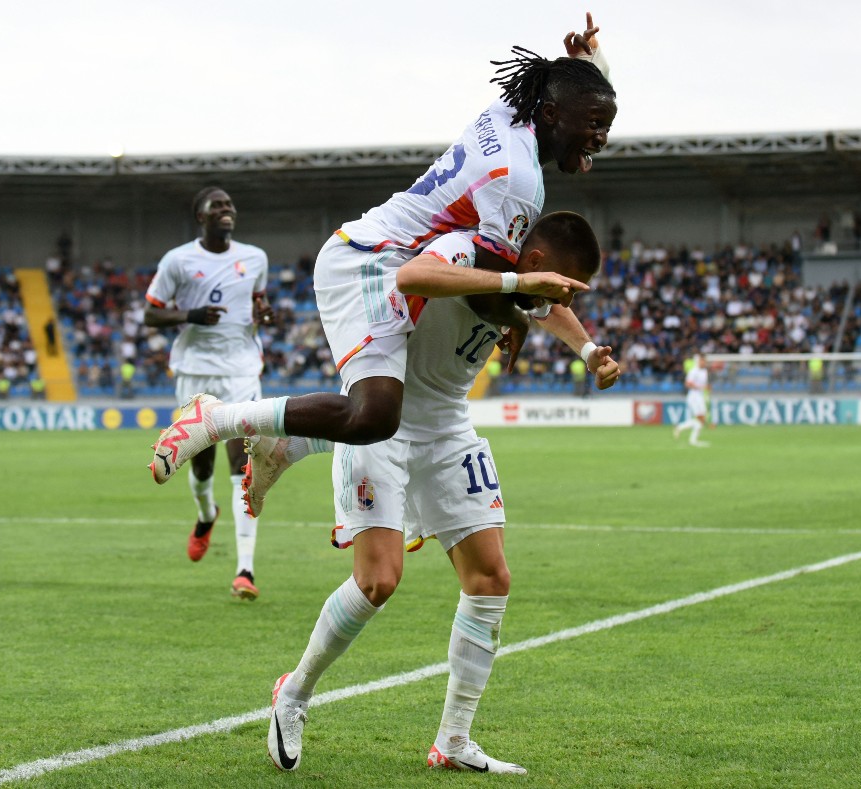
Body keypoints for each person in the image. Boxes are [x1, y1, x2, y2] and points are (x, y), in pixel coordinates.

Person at [148, 14, 616, 491]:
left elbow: (570, 96)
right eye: (596, 126)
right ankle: (217, 419)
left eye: (607, 127)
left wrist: (587, 63)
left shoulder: (510, 112)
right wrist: (516, 321)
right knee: (376, 417)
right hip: (374, 262)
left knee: (406, 411)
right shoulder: (517, 182)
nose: (602, 138)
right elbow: (493, 294)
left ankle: (288, 445)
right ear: (554, 114)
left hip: (391, 257)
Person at [263, 213, 620, 775]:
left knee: (491, 579)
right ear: (533, 263)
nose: (563, 295)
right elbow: (413, 274)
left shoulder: (531, 284)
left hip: (450, 431)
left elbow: (550, 308)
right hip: (386, 423)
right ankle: (295, 690)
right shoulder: (461, 250)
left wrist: (588, 350)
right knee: (377, 581)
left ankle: (453, 741)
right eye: (562, 281)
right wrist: (519, 290)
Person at [144, 186, 276, 600]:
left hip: (240, 371)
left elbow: (257, 300)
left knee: (242, 463)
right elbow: (151, 312)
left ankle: (245, 570)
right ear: (200, 217)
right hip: (194, 371)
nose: (226, 210)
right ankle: (206, 515)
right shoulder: (178, 260)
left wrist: (264, 311)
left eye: (229, 205)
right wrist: (190, 315)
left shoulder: (255, 257)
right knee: (201, 467)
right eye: (216, 206)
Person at [673, 352, 712, 447]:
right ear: (699, 361)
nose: (704, 362)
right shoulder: (693, 371)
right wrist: (701, 387)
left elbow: (703, 385)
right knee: (700, 418)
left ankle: (683, 430)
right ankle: (691, 438)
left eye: (705, 361)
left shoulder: (704, 371)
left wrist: (706, 388)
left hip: (700, 396)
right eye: (702, 360)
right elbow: (687, 384)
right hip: (693, 396)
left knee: (702, 419)